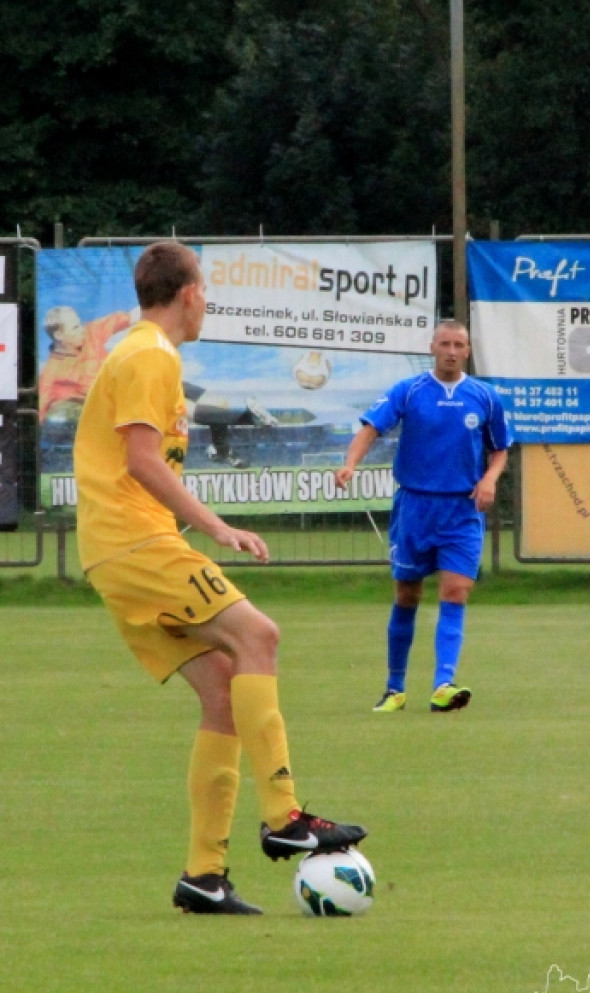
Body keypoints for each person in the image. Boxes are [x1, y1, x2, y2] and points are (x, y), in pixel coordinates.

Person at [73, 241, 366, 916]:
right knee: (259, 636)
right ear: (188, 294)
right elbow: (142, 460)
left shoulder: (149, 354)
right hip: (134, 543)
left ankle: (203, 877)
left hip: (118, 550)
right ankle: (285, 816)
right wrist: (216, 526)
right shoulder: (149, 354)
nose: (207, 301)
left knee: (223, 693)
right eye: (205, 290)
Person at [335, 319, 512, 714]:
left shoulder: (484, 396)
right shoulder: (409, 390)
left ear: (468, 351)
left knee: (456, 591)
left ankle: (443, 685)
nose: (451, 351)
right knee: (407, 594)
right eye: (445, 343)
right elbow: (371, 428)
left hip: (462, 510)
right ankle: (395, 689)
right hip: (415, 507)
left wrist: (489, 479)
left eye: (459, 345)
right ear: (432, 347)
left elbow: (500, 448)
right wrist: (350, 464)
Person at [39, 305, 136, 423]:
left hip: (122, 400)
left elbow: (129, 317)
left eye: (80, 324)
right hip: (90, 418)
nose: (82, 330)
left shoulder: (91, 332)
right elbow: (39, 412)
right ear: (59, 335)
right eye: (75, 328)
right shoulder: (50, 374)